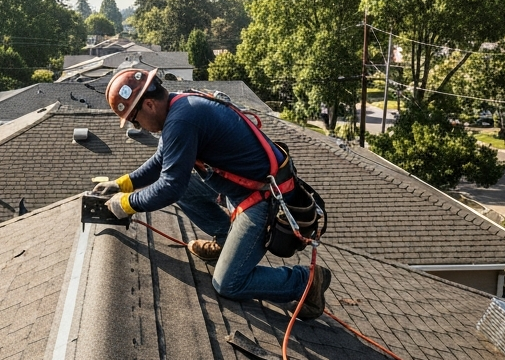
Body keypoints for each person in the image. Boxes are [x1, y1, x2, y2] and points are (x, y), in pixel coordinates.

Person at [94, 68, 330, 319]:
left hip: (263, 201)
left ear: (149, 104)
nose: (138, 126)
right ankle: (227, 239)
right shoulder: (179, 104)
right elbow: (162, 161)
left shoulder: (181, 121)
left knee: (228, 283)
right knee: (184, 185)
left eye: (135, 120)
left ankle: (306, 281)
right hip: (245, 189)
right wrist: (122, 184)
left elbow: (169, 187)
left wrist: (126, 204)